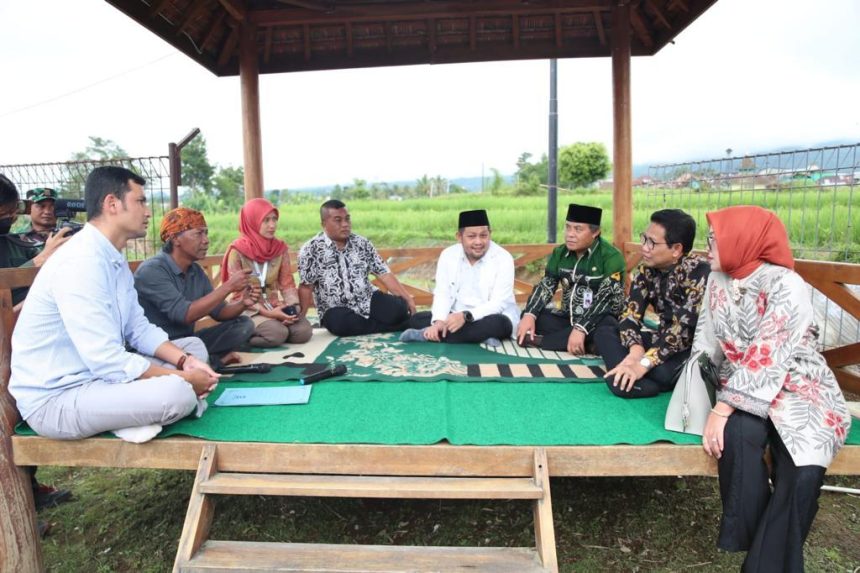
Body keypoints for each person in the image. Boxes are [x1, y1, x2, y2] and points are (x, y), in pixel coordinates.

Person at [9, 166, 219, 441]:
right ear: (112, 204)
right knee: (176, 393)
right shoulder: (80, 261)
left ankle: (131, 413)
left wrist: (185, 362)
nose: (147, 212)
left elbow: (139, 329)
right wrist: (185, 380)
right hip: (59, 398)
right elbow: (106, 359)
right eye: (141, 201)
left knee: (193, 348)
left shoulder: (112, 258)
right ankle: (133, 413)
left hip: (100, 380)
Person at [696, 206, 850, 572]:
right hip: (742, 386)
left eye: (714, 239)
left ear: (742, 240)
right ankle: (761, 539)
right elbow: (707, 339)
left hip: (801, 386)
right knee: (737, 437)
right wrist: (696, 388)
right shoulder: (717, 280)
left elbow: (771, 351)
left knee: (803, 470)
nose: (707, 248)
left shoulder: (785, 283)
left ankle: (760, 562)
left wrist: (721, 410)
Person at [595, 209, 710, 398]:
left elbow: (680, 333)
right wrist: (635, 352)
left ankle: (627, 379)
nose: (645, 248)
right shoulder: (647, 270)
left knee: (661, 372)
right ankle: (626, 374)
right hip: (660, 339)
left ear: (676, 249)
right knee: (605, 329)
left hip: (689, 348)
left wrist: (644, 364)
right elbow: (630, 314)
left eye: (652, 243)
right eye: (644, 239)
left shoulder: (699, 274)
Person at [135, 207, 258, 365]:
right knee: (193, 346)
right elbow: (184, 314)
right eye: (198, 233)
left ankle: (203, 360)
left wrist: (242, 303)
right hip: (159, 347)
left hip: (189, 342)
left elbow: (219, 312)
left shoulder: (196, 271)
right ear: (175, 239)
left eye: (206, 233)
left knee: (243, 324)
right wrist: (228, 287)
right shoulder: (152, 270)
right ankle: (211, 362)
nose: (206, 240)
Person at [516, 203, 625, 354]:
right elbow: (546, 285)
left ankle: (544, 342)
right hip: (567, 318)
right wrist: (530, 314)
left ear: (595, 232)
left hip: (598, 320)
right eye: (568, 227)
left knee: (607, 329)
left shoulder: (611, 257)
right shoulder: (560, 253)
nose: (570, 234)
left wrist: (581, 328)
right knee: (531, 316)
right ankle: (586, 345)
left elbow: (606, 300)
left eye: (578, 229)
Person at [399, 209, 519, 345]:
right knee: (417, 319)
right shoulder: (448, 255)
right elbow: (442, 293)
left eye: (483, 235)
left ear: (490, 234)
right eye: (472, 236)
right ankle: (479, 337)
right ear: (459, 237)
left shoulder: (503, 258)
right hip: (454, 315)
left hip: (490, 315)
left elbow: (499, 303)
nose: (478, 242)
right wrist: (439, 321)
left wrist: (466, 316)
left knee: (499, 324)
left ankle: (426, 334)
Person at [298, 199, 416, 336]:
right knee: (339, 323)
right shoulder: (310, 250)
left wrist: (408, 299)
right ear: (324, 224)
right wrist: (302, 317)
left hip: (367, 299)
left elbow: (384, 274)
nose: (345, 224)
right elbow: (306, 287)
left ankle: (373, 325)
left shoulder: (362, 244)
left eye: (347, 219)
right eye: (338, 220)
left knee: (399, 308)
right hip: (336, 308)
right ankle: (401, 326)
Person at [222, 198, 312, 347]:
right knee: (277, 334)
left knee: (303, 332)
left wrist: (291, 308)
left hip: (275, 305)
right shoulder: (237, 252)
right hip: (249, 309)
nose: (272, 225)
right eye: (266, 220)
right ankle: (239, 339)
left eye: (274, 219)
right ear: (252, 221)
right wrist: (269, 314)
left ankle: (277, 329)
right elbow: (238, 295)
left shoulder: (279, 249)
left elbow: (287, 284)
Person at [0, 175, 71, 306]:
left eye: (13, 210)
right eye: (5, 212)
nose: (12, 216)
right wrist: (41, 259)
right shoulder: (21, 237)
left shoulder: (13, 243)